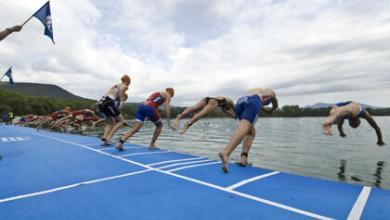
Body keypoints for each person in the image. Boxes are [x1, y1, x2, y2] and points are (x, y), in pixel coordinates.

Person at [218, 88, 278, 173]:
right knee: (245, 126)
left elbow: (257, 104)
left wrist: (265, 109)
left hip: (240, 103)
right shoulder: (267, 92)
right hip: (253, 100)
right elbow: (272, 98)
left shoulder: (255, 90)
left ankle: (243, 159)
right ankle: (226, 152)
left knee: (251, 132)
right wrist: (274, 107)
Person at [98, 75, 131, 145]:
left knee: (110, 122)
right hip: (108, 102)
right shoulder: (124, 85)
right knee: (121, 121)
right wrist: (122, 102)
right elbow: (122, 90)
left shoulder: (115, 85)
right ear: (128, 81)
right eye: (129, 82)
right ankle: (108, 138)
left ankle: (104, 139)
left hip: (101, 102)